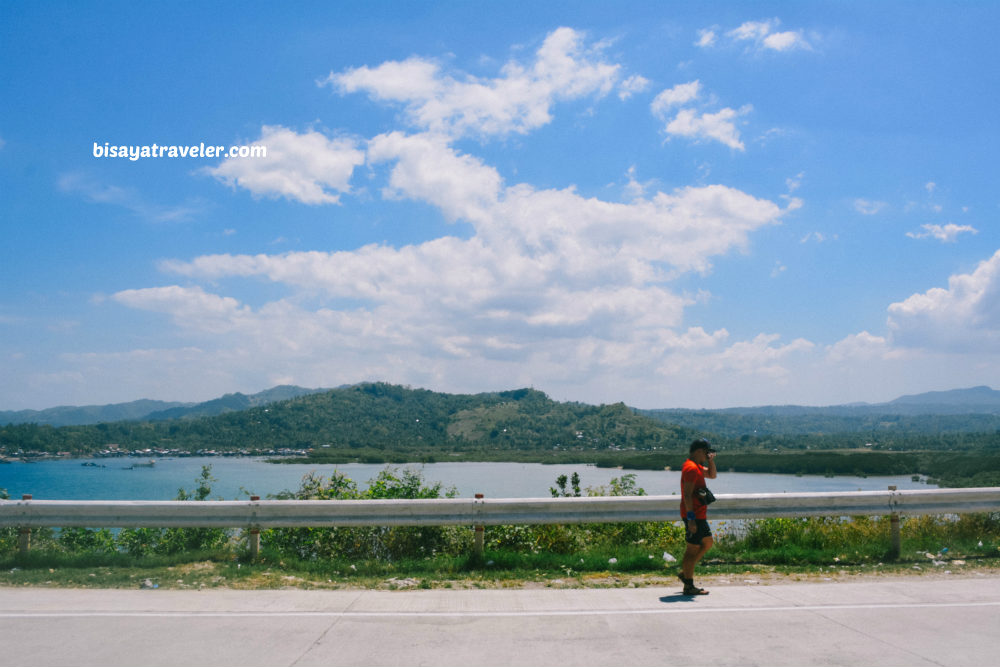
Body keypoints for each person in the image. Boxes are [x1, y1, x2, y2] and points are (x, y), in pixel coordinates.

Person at [678, 438, 717, 595]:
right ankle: (688, 585)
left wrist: (711, 461)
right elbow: (687, 495)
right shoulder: (691, 469)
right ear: (699, 451)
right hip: (694, 515)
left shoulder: (697, 467)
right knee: (692, 549)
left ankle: (685, 573)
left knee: (707, 542)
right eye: (706, 452)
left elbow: (712, 475)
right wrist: (691, 519)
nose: (708, 454)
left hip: (699, 513)